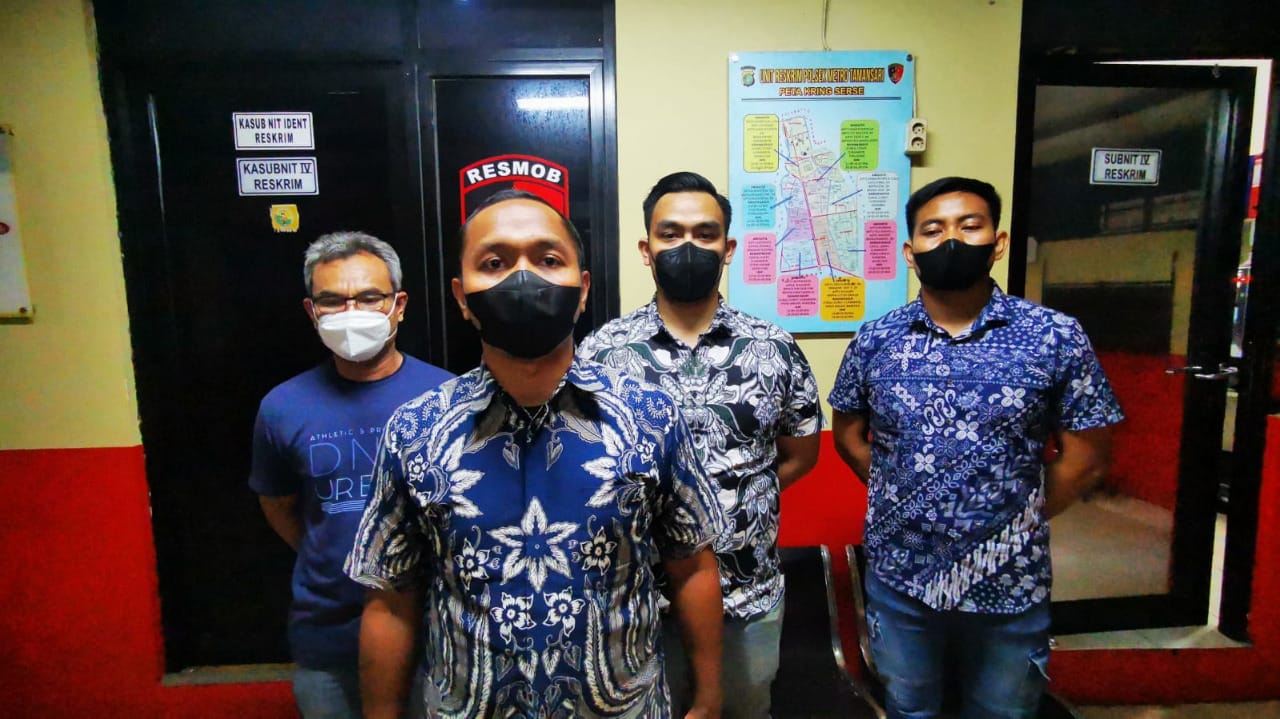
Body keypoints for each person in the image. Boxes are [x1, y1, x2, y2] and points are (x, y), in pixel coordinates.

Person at [346, 190, 728, 719]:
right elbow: (391, 598)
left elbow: (691, 566)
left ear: (583, 289)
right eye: (494, 263)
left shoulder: (651, 417)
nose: (523, 278)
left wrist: (708, 697)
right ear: (462, 296)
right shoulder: (415, 431)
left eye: (549, 260)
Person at [829, 176, 1124, 718]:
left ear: (998, 242)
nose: (951, 240)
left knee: (1002, 712)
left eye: (969, 226)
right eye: (933, 230)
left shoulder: (1055, 336)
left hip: (1009, 581)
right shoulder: (876, 339)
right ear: (910, 252)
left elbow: (1086, 456)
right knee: (910, 708)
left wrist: (1014, 514)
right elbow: (847, 433)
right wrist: (899, 492)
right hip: (902, 578)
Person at [577, 171, 822, 718]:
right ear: (646, 249)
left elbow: (802, 453)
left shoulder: (774, 348)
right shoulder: (602, 354)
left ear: (727, 249)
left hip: (746, 596)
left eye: (705, 233)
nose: (687, 246)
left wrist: (738, 494)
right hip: (637, 602)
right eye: (670, 233)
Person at [250, 231, 454, 718]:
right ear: (312, 311)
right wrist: (335, 555)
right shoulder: (282, 407)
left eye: (368, 297)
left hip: (435, 634)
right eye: (332, 301)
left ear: (398, 306)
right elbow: (279, 506)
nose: (351, 312)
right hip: (328, 635)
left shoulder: (449, 398)